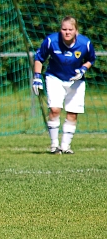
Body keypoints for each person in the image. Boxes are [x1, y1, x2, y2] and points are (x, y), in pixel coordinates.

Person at [32, 16, 96, 154]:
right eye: (64, 29)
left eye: (70, 29)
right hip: (55, 77)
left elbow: (91, 59)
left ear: (76, 30)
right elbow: (39, 58)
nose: (67, 32)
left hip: (76, 81)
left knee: (72, 113)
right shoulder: (51, 41)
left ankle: (66, 146)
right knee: (55, 109)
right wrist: (37, 77)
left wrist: (83, 69)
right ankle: (54, 145)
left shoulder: (85, 43)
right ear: (60, 29)